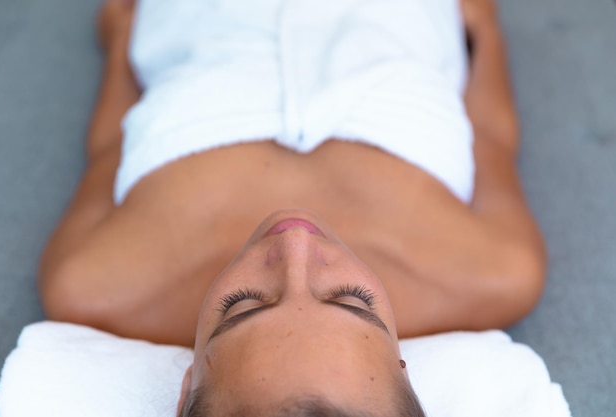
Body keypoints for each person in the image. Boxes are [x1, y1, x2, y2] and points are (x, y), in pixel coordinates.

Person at [38, 0, 546, 415]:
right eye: (351, 300)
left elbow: (109, 147)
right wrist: (483, 29)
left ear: (186, 388)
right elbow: (492, 139)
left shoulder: (92, 282)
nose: (294, 240)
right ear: (401, 364)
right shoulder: (495, 270)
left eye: (243, 305)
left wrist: (122, 39)